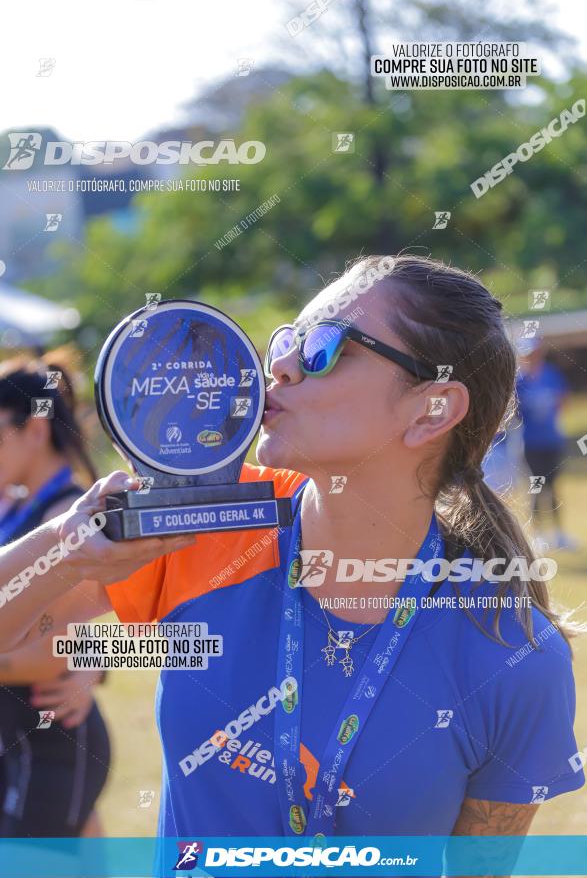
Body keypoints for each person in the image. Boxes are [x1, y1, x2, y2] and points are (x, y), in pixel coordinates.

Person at [1, 256, 584, 873]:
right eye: (287, 341)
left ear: (432, 410)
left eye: (324, 349)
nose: (277, 367)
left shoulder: (515, 658)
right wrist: (65, 548)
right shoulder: (208, 527)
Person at [0, 358, 108, 838]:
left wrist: (92, 665)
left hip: (51, 744)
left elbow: (53, 651)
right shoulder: (17, 504)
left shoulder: (69, 513)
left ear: (35, 429)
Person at [516, 337, 578, 551]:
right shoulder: (519, 381)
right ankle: (537, 534)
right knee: (536, 487)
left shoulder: (551, 375)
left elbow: (563, 400)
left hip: (552, 441)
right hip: (530, 444)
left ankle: (558, 534)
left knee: (553, 487)